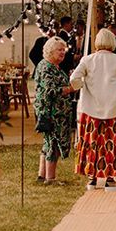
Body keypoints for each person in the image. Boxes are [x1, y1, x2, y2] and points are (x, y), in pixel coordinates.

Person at [69, 28, 116, 191]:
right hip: (113, 108)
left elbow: (74, 79)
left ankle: (92, 177)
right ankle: (110, 178)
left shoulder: (87, 59)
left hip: (90, 108)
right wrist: (115, 91)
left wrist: (84, 87)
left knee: (92, 142)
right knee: (112, 142)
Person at [33, 37, 75, 183]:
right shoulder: (46, 67)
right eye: (59, 50)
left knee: (48, 142)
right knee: (53, 143)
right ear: (50, 50)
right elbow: (49, 90)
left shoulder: (54, 66)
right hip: (51, 112)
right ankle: (50, 178)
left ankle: (42, 175)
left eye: (64, 50)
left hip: (58, 111)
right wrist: (69, 89)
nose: (63, 52)